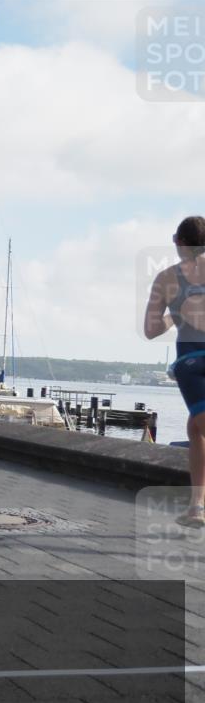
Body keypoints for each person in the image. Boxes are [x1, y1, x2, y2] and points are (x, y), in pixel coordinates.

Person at [144, 215, 205, 528]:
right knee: (196, 429)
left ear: (179, 242)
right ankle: (197, 506)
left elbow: (151, 330)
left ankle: (198, 507)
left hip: (191, 362)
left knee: (201, 426)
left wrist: (174, 315)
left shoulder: (166, 278)